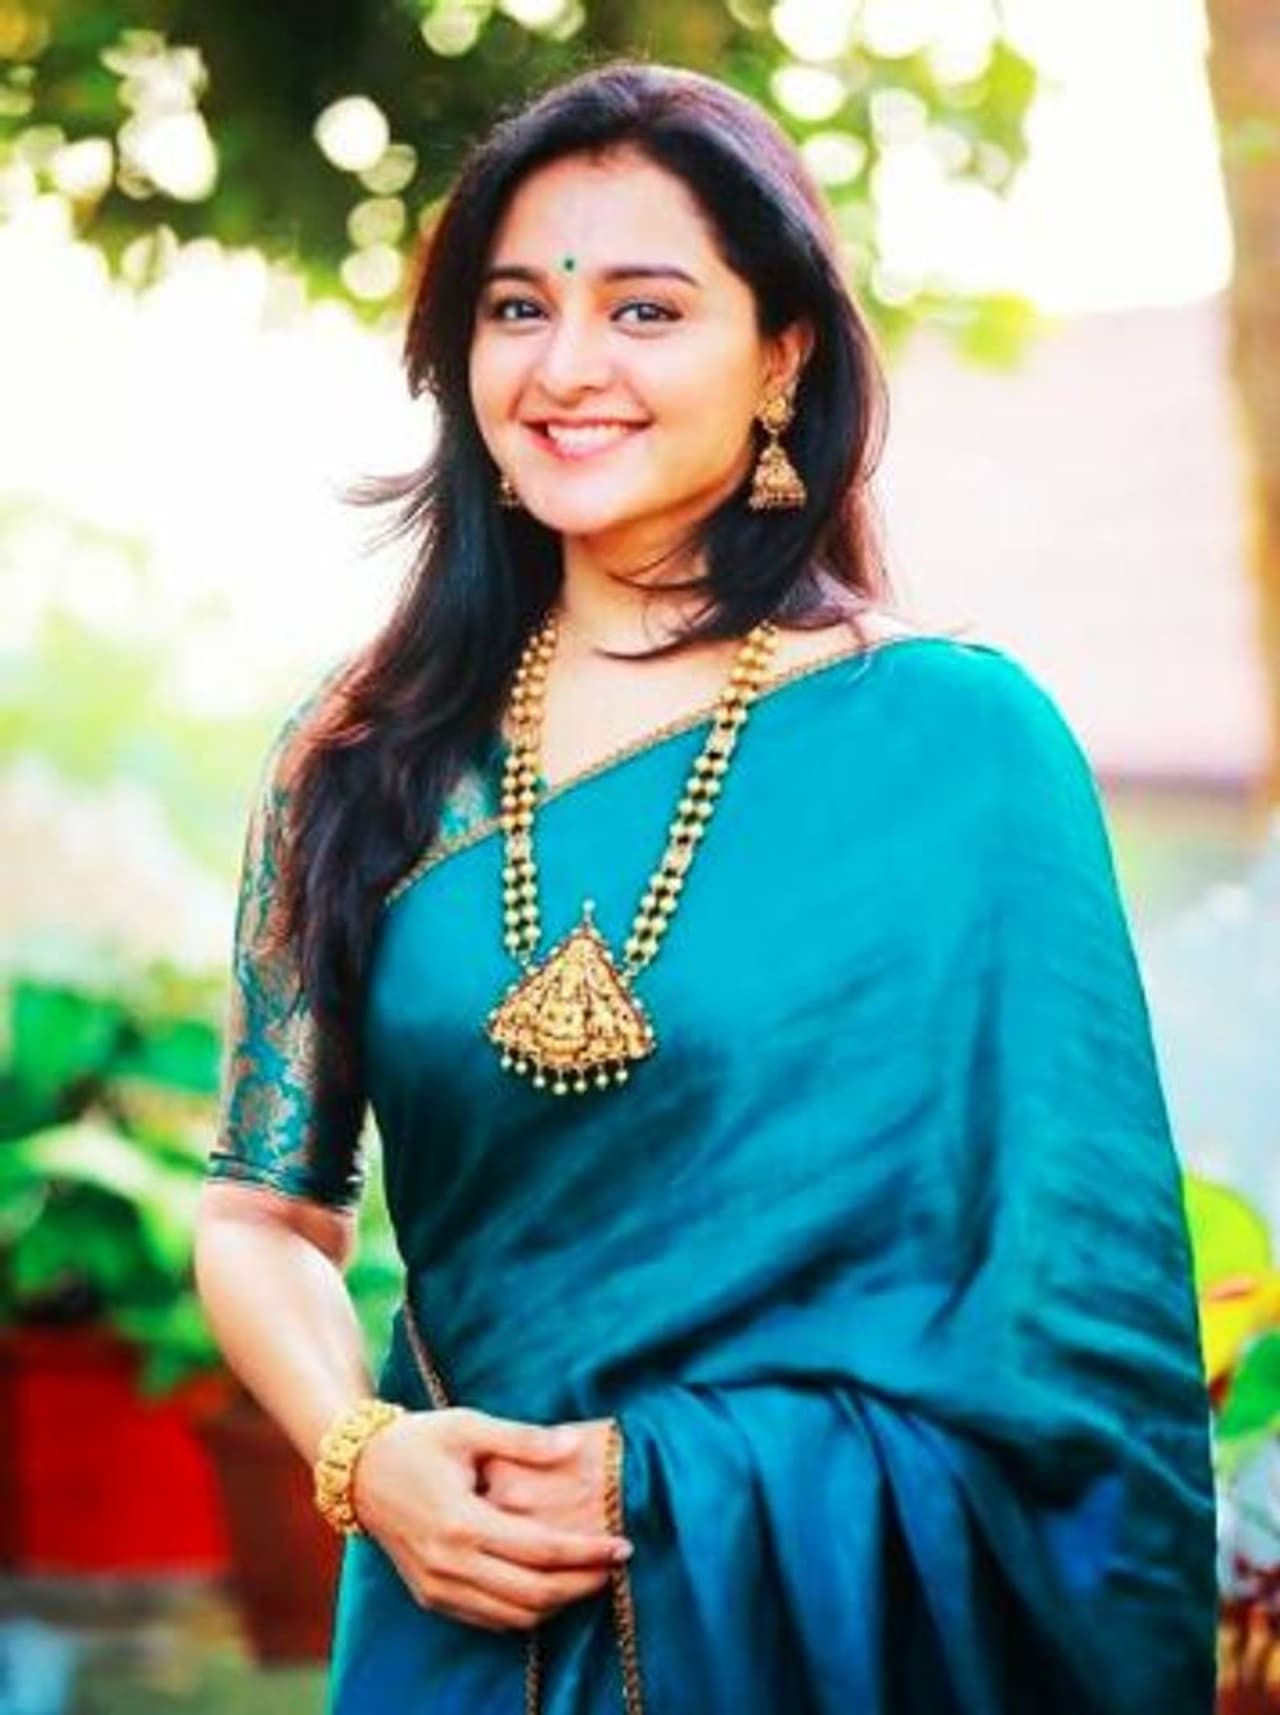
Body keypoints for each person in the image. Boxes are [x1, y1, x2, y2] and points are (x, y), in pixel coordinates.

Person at [194, 60, 1217, 1715]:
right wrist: (360, 1453)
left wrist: (687, 1479)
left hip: (832, 1645)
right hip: (464, 1618)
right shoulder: (365, 755)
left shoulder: (953, 748)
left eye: (647, 310)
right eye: (518, 308)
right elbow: (263, 1210)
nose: (567, 367)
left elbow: (1079, 1330)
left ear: (782, 354)